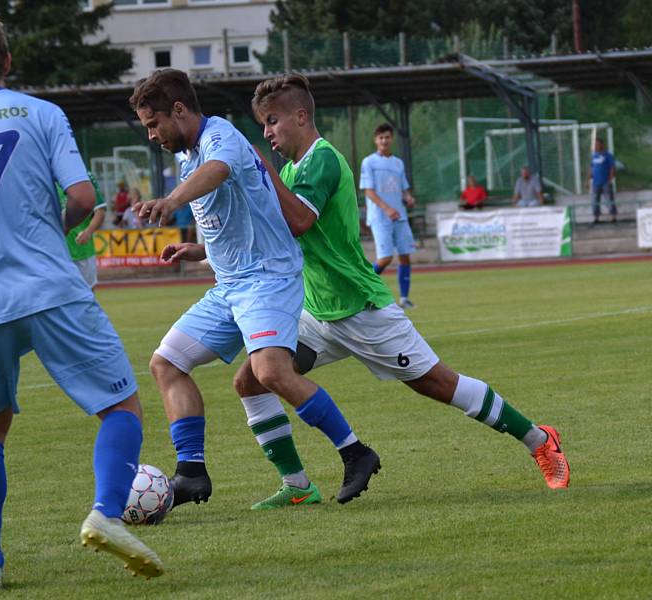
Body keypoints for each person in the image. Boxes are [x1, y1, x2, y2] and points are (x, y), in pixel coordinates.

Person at [0, 14, 162, 592]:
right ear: (7, 61)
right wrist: (48, 232)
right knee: (121, 407)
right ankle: (107, 514)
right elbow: (84, 198)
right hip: (51, 287)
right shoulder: (42, 114)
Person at [226, 73, 569, 505]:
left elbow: (298, 222)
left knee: (438, 383)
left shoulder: (322, 160)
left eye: (272, 121)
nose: (267, 132)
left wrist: (259, 168)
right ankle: (297, 486)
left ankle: (539, 438)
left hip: (361, 307)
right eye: (262, 125)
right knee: (253, 379)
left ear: (300, 115)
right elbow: (269, 231)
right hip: (317, 311)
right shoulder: (292, 169)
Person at [129, 68, 379, 509]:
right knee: (166, 364)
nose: (152, 135)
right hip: (229, 286)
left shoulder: (219, 136)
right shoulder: (188, 157)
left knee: (270, 373)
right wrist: (199, 251)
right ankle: (192, 473)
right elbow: (233, 217)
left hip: (269, 279)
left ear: (180, 110)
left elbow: (219, 170)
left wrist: (171, 201)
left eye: (154, 124)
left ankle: (355, 452)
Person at [360, 123, 417, 309]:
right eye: (380, 137)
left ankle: (404, 299)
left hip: (399, 216)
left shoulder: (398, 163)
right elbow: (368, 192)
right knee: (385, 259)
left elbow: (403, 189)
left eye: (387, 137)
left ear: (391, 139)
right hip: (381, 217)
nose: (384, 140)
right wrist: (387, 208)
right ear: (375, 141)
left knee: (405, 256)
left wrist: (408, 198)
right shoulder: (369, 162)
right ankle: (362, 290)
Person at [57, 171, 106, 289]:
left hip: (82, 250)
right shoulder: (44, 176)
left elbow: (100, 210)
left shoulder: (85, 175)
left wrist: (88, 232)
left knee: (88, 295)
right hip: (56, 252)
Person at [589, 137, 617, 225]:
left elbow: (612, 168)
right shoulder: (593, 156)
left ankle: (613, 216)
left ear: (601, 144)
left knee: (609, 199)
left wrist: (610, 179)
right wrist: (588, 179)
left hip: (605, 181)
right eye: (594, 145)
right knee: (595, 200)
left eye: (597, 144)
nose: (596, 146)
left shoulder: (608, 155)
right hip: (595, 182)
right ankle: (596, 217)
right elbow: (591, 168)